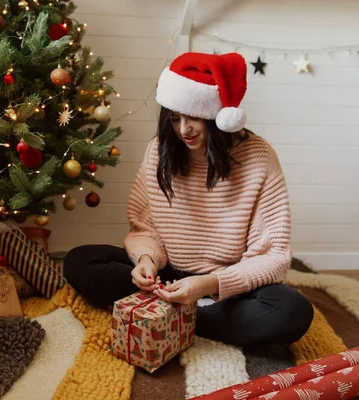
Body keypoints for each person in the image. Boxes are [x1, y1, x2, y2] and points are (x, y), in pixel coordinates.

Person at [63, 52, 314, 347]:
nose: (184, 130)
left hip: (225, 284)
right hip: (168, 275)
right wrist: (146, 260)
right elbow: (144, 227)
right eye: (175, 118)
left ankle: (181, 317)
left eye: (194, 116)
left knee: (292, 311)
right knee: (78, 261)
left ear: (218, 115)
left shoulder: (258, 158)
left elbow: (272, 256)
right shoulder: (159, 150)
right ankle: (185, 313)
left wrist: (209, 284)